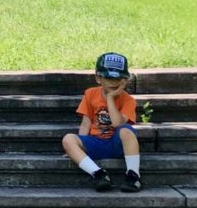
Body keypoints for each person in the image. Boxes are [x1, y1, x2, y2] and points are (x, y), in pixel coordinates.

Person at [61, 52, 143, 192]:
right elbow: (86, 122)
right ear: (98, 78)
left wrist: (111, 98)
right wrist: (79, 146)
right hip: (96, 142)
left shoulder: (128, 100)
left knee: (126, 131)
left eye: (119, 78)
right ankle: (99, 174)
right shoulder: (90, 94)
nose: (114, 82)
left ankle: (133, 176)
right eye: (109, 78)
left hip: (117, 145)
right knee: (68, 139)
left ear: (125, 80)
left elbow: (117, 123)